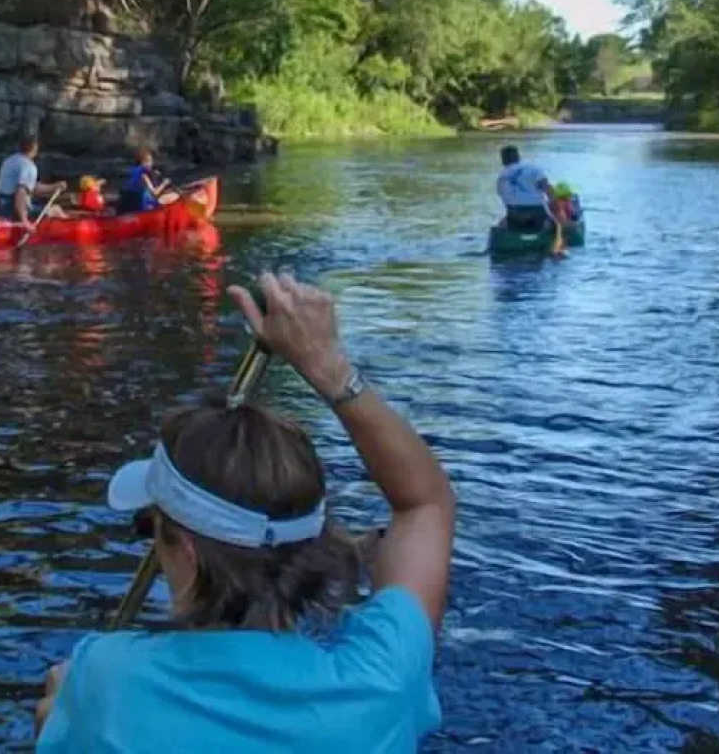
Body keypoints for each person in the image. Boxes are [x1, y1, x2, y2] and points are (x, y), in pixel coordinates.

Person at [34, 271, 456, 753]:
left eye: (150, 525)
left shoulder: (103, 682)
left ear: (187, 550)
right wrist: (330, 369)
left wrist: (54, 726)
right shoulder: (382, 682)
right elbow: (424, 503)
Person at [0, 134, 64, 223]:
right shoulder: (28, 166)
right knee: (56, 210)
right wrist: (24, 220)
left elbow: (32, 188)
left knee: (42, 206)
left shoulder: (9, 160)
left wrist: (55, 187)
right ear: (34, 147)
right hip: (12, 208)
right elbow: (21, 192)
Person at [495, 144, 555, 233]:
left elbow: (503, 195)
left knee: (503, 224)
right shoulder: (533, 169)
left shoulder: (501, 176)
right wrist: (555, 206)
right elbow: (547, 188)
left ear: (503, 160)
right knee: (553, 224)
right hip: (536, 212)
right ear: (518, 157)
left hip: (514, 215)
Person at [117, 148, 178, 213]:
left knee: (167, 192)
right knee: (175, 195)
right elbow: (154, 193)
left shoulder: (133, 170)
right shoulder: (144, 175)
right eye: (150, 161)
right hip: (144, 205)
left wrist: (154, 176)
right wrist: (164, 183)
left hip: (132, 202)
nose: (152, 163)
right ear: (144, 162)